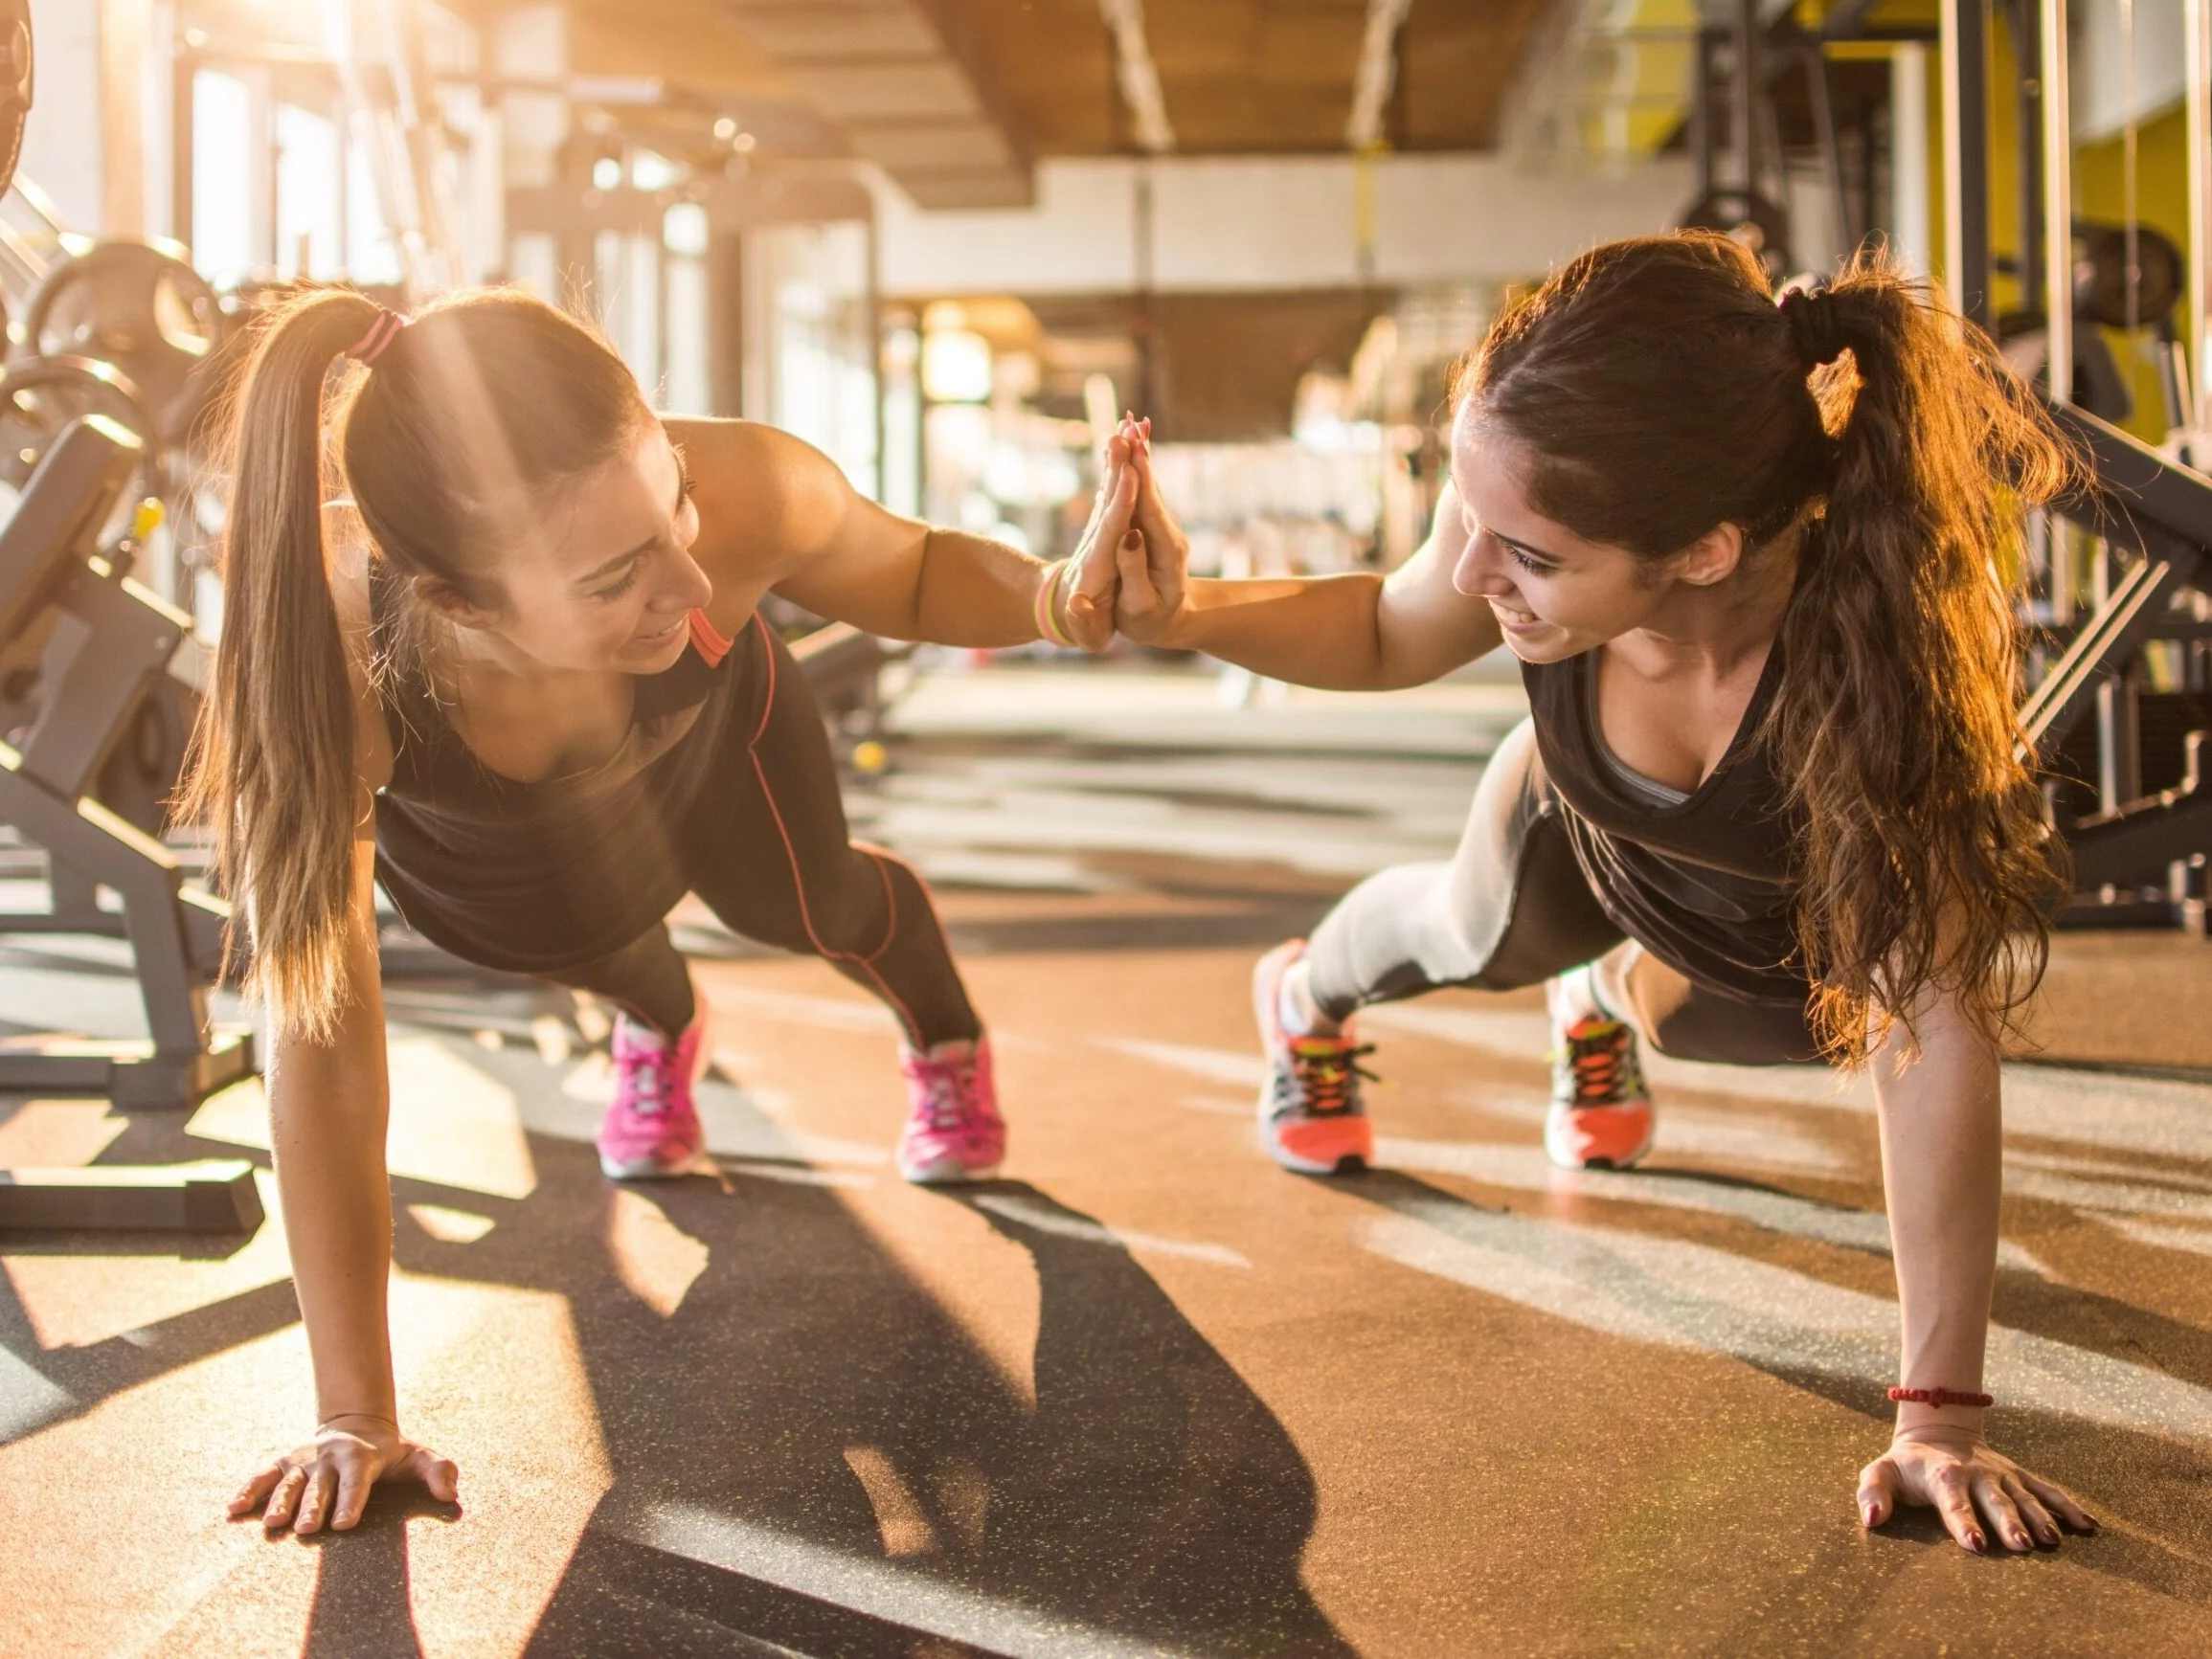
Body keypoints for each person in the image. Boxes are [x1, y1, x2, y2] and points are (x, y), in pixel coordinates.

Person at [1103, 234, 2099, 1555]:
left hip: (1766, 922)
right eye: (1476, 525)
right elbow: (1389, 625)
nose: (1474, 575)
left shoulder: (1879, 684)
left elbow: (1931, 1026)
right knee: (1469, 930)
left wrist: (1940, 1420)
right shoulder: (1531, 503)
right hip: (1575, 823)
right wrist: (1179, 617)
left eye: (1523, 554)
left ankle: (1607, 995)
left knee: (1737, 1030)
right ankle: (1302, 993)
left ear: (1702, 552)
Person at [189, 288, 1136, 1535]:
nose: (690, 576)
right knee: (560, 940)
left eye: (672, 497)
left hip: (712, 745)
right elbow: (315, 1032)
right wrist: (354, 1410)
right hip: (501, 851)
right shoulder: (319, 636)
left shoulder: (739, 496)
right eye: (612, 573)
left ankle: (942, 1036)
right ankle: (661, 1023)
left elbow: (903, 567)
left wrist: (1062, 596)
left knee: (812, 903)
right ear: (458, 604)